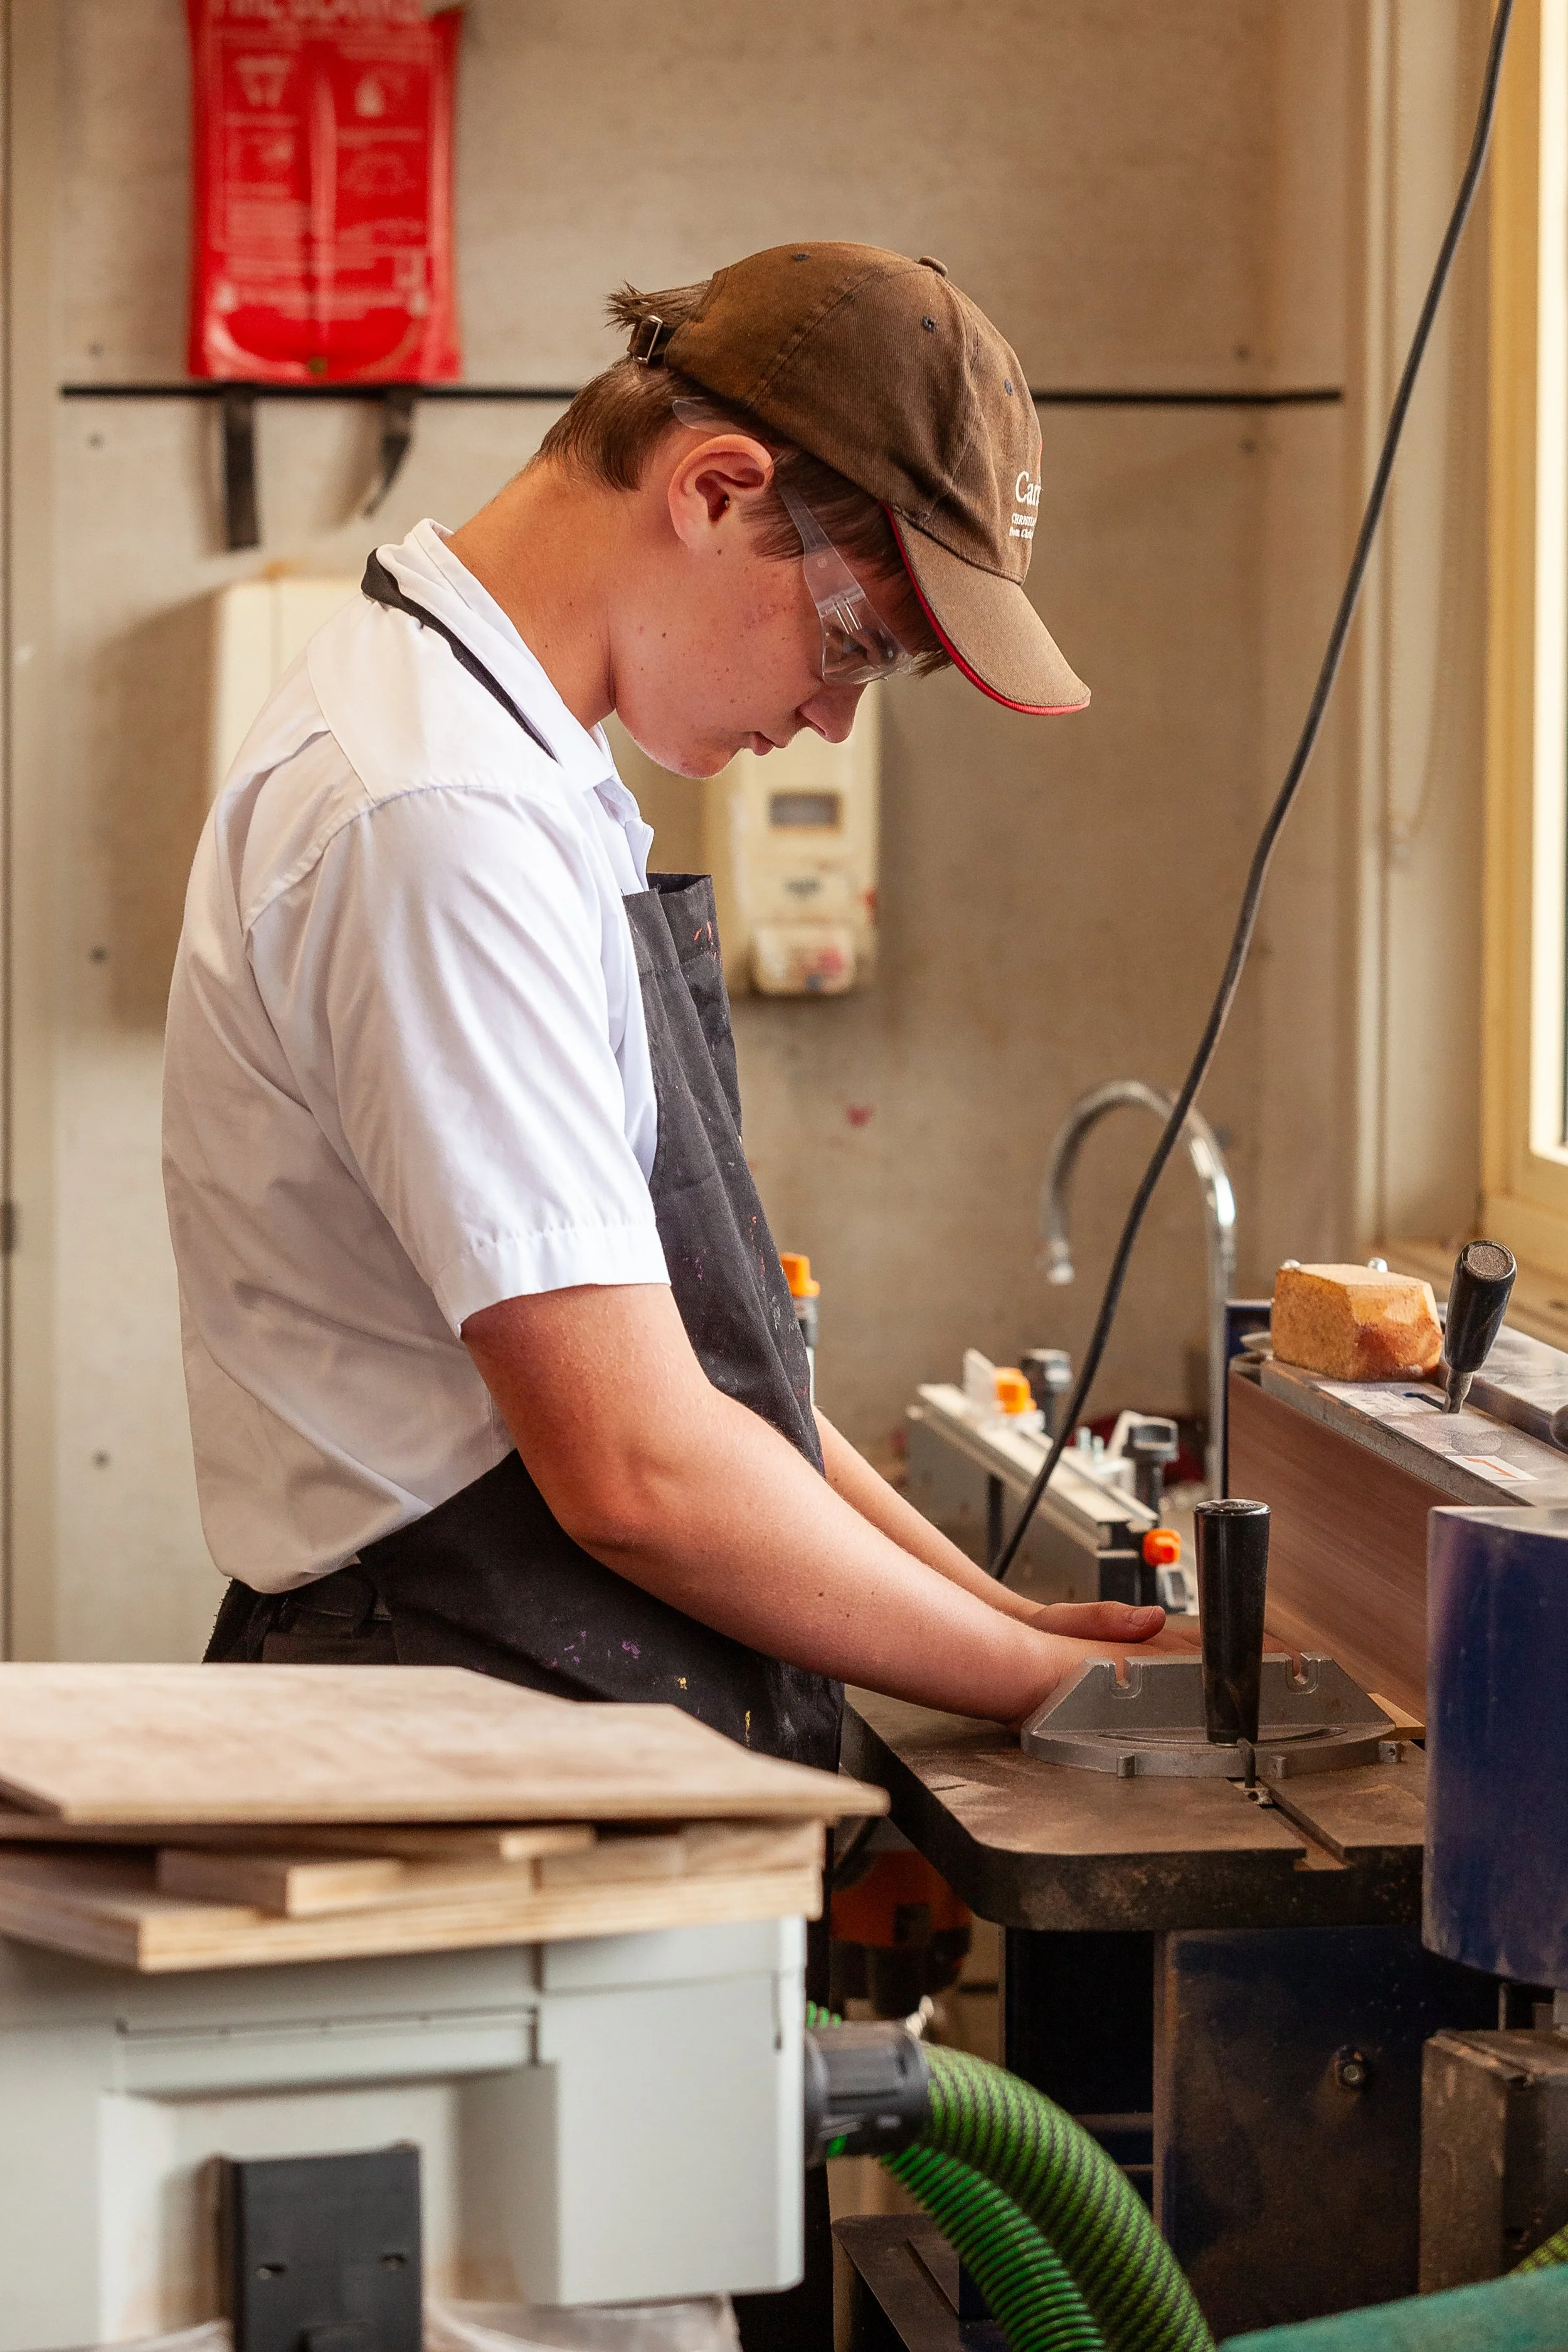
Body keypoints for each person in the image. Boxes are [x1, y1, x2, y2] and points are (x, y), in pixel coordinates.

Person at [163, 243, 1172, 2348]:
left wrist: (1000, 1631)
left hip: (550, 1763)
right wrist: (1056, 1711)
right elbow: (627, 1466)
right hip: (463, 1791)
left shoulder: (526, 771)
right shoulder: (435, 810)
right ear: (715, 490)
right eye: (857, 637)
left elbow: (714, 1381)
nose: (826, 711)